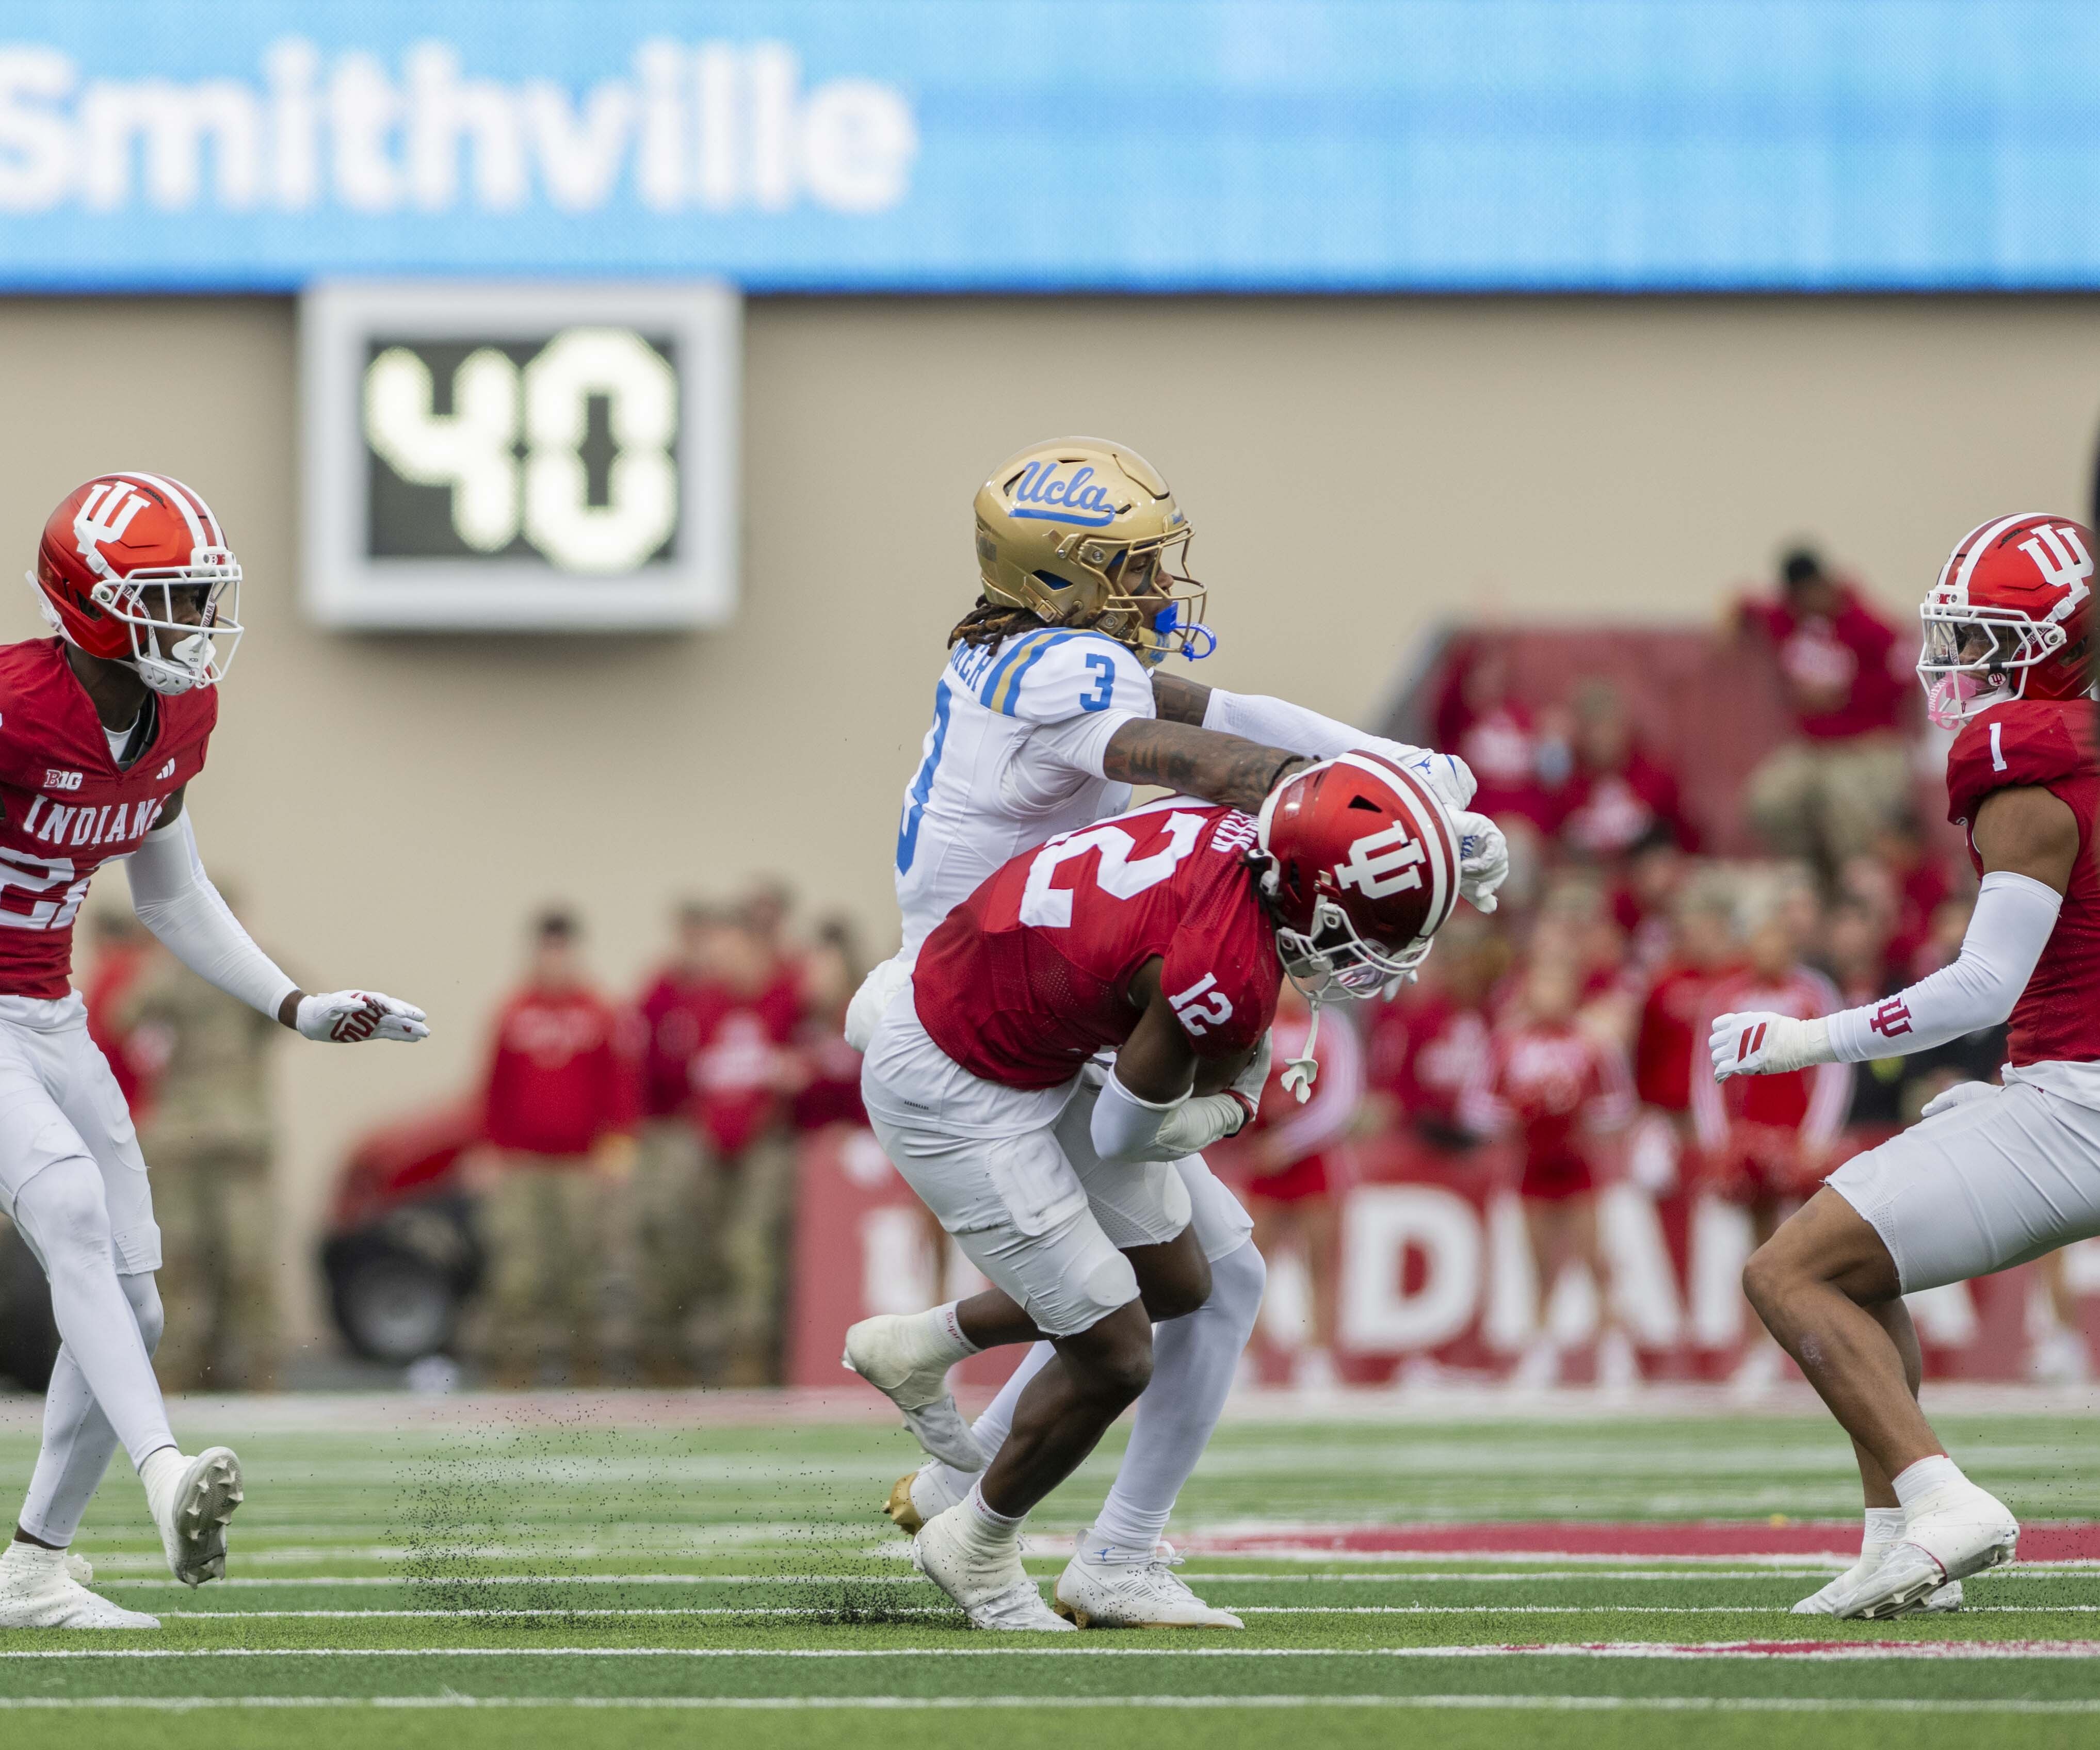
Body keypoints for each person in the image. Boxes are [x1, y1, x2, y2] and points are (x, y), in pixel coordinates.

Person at [843, 437, 1508, 1629]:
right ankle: (1042, 1529)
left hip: (1041, 984)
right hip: (995, 1018)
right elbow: (1188, 754)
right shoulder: (1063, 671)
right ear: (1057, 577)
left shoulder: (1037, 649)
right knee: (1155, 1302)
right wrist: (1378, 815)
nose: (1158, 585)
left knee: (1197, 1278)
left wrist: (1399, 768)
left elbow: (1224, 710)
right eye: (1132, 566)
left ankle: (1007, 1480)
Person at [851, 752, 1464, 1630]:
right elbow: (1127, 1134)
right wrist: (1232, 1107)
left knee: (1187, 1283)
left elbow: (1320, 780)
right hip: (958, 1083)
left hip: (1013, 1024)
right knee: (1117, 1352)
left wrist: (1442, 817)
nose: (1369, 956)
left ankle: (930, 1349)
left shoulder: (1249, 821)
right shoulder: (1228, 968)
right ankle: (978, 1542)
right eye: (1363, 930)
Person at [0, 474, 426, 1632]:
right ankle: (163, 1476)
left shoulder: (176, 716)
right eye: (174, 597)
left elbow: (173, 896)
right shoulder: (15, 705)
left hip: (46, 1012)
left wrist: (297, 1004)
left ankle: (35, 1566)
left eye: (200, 594)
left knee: (134, 1307)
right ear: (93, 604)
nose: (196, 619)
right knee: (71, 1212)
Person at [1711, 512, 2097, 1619]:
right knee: (1852, 1265)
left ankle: (1944, 1500)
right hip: (2068, 1087)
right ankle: (1894, 1539)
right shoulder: (2072, 741)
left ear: (2051, 645)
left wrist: (1807, 1037)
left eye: (1984, 640)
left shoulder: (2027, 764)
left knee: (1783, 1272)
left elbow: (1983, 986)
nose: (1958, 661)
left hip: (2077, 1102)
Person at [1690, 903, 1851, 1392]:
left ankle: (1823, 1349)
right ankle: (1760, 1349)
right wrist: (1718, 1139)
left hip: (1799, 1134)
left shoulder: (1814, 992)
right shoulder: (1727, 995)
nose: (1768, 949)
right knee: (1759, 1249)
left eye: (1776, 939)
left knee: (1817, 1245)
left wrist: (1818, 1135)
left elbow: (1836, 1063)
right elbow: (1705, 1070)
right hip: (1750, 1135)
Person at [115, 932, 283, 1392]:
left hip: (240, 1137)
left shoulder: (252, 964)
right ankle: (174, 1370)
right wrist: (172, 970)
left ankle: (257, 1372)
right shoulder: (166, 971)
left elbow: (295, 1007)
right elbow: (123, 1017)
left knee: (248, 1258)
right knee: (178, 1260)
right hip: (180, 1136)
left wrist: (247, 959)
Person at [475, 910, 635, 1387]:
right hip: (523, 1164)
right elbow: (494, 1087)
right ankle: (514, 1370)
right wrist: (489, 1149)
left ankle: (586, 1370)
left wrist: (618, 1146)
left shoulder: (599, 1012)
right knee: (519, 1270)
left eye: (562, 950)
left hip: (579, 1165)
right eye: (547, 950)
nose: (554, 961)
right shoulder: (513, 1011)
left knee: (582, 1268)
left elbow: (619, 1085)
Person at [1464, 956, 1638, 1390]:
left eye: (1558, 987)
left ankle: (1613, 1352)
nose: (1550, 997)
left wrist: (1574, 1111)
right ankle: (1541, 1352)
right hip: (1531, 1164)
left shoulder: (1593, 1041)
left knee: (1594, 1260)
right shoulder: (1507, 1042)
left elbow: (1620, 1105)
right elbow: (1477, 1106)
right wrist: (1522, 1110)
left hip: (1579, 1163)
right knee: (1540, 1265)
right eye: (1542, 987)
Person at [1737, 545, 1913, 872]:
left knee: (1846, 807)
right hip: (1813, 747)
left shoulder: (1868, 626)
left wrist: (1846, 695)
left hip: (1865, 745)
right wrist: (1733, 613)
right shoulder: (1789, 619)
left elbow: (1904, 679)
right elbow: (1749, 606)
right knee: (1769, 801)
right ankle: (1806, 879)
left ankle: (1854, 884)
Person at [1237, 984, 1364, 1388]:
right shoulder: (1257, 1024)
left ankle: (1320, 1360)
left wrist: (1289, 1143)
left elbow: (1342, 1101)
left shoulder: (1331, 1027)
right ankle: (1246, 1360)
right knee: (1251, 1265)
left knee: (1321, 1262)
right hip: (1263, 1158)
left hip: (1315, 1162)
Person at [629, 901, 721, 1384]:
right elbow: (635, 1062)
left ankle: (694, 1341)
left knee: (693, 1230)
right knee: (653, 1226)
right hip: (661, 1129)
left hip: (703, 1129)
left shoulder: (722, 994)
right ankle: (658, 1341)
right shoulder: (659, 991)